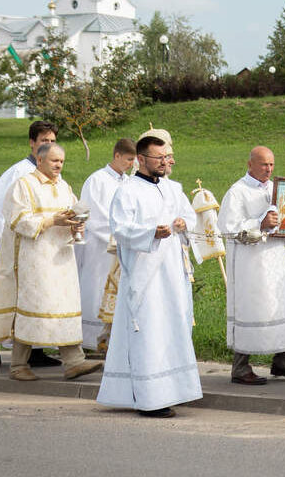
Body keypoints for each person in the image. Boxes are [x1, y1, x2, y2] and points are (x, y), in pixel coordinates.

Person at [97, 130, 202, 417]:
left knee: (172, 329)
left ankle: (176, 390)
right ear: (141, 159)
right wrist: (150, 232)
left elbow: (190, 217)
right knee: (150, 332)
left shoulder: (172, 188)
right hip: (145, 275)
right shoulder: (128, 191)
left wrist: (182, 222)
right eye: (159, 157)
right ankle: (150, 398)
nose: (164, 162)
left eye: (166, 156)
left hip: (172, 272)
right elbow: (120, 228)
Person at [0, 143, 102, 381]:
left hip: (61, 259)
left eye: (61, 161)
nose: (59, 165)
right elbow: (18, 220)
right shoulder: (24, 185)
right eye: (54, 161)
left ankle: (73, 362)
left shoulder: (64, 186)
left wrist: (76, 224)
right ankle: (18, 365)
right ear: (39, 161)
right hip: (34, 259)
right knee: (35, 308)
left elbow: (72, 213)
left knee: (62, 308)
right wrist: (52, 221)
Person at [218, 146, 285, 385]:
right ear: (249, 164)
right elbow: (228, 228)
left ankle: (283, 362)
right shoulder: (238, 191)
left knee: (282, 304)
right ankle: (239, 368)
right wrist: (260, 222)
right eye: (263, 164)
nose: (268, 169)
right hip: (250, 263)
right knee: (253, 308)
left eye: (271, 164)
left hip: (276, 258)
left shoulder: (277, 188)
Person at [0, 120, 59, 365]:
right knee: (9, 295)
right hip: (19, 246)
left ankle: (35, 350)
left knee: (37, 297)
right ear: (32, 143)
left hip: (42, 246)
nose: (49, 146)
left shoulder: (52, 172)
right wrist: (13, 229)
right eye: (44, 141)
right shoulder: (19, 171)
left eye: (53, 141)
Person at [77, 138, 135, 352]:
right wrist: (116, 236)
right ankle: (90, 340)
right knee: (96, 288)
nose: (130, 164)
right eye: (128, 159)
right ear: (117, 155)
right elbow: (94, 214)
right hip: (100, 248)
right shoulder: (97, 180)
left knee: (116, 294)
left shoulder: (129, 182)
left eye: (133, 160)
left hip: (122, 248)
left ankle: (112, 340)